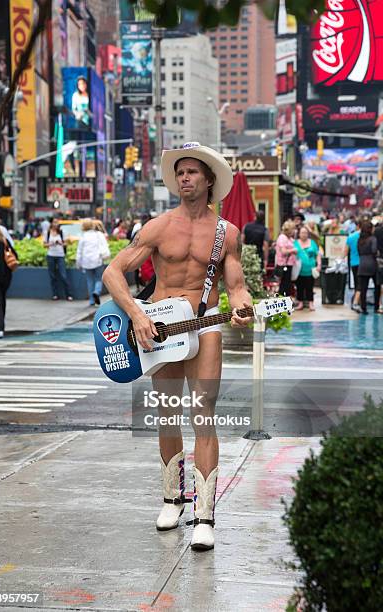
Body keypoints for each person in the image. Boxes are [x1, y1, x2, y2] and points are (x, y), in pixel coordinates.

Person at [102, 142, 253, 551]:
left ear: (208, 181)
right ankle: (173, 500)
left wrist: (242, 307)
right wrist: (137, 314)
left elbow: (236, 288)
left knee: (203, 415)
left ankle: (205, 515)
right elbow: (112, 272)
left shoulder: (227, 233)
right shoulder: (157, 226)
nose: (184, 178)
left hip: (204, 326)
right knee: (168, 414)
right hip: (162, 330)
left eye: (191, 172)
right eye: (180, 172)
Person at [76, 218, 110, 306]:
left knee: (89, 280)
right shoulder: (98, 234)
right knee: (99, 279)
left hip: (86, 262)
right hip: (98, 260)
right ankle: (97, 292)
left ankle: (91, 300)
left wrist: (78, 263)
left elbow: (79, 251)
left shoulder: (83, 237)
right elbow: (104, 245)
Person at [44, 219, 73, 301]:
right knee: (52, 276)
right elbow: (44, 245)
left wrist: (61, 243)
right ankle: (55, 294)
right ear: (51, 223)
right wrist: (51, 243)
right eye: (54, 222)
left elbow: (67, 243)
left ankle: (69, 294)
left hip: (60, 255)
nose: (55, 224)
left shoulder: (61, 232)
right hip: (51, 255)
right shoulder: (48, 233)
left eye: (57, 222)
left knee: (63, 275)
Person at [294, 226, 322, 311]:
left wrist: (319, 264)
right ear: (299, 234)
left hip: (311, 269)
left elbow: (317, 254)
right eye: (302, 233)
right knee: (299, 287)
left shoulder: (312, 242)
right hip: (299, 270)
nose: (304, 235)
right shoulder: (295, 243)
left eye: (305, 233)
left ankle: (311, 303)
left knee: (310, 286)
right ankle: (300, 303)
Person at [357, 221, 380, 315]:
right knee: (377, 286)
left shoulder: (360, 240)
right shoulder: (373, 239)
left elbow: (359, 251)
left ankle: (363, 308)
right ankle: (376, 307)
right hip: (372, 264)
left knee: (363, 288)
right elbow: (374, 250)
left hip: (362, 263)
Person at [274, 220, 297, 297]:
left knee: (287, 282)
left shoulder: (289, 238)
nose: (294, 231)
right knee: (285, 283)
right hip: (284, 264)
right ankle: (282, 299)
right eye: (293, 229)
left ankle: (285, 299)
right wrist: (293, 250)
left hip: (289, 264)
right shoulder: (282, 238)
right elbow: (283, 251)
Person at [344, 220, 361, 312]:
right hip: (363, 262)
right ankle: (356, 302)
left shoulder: (351, 237)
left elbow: (345, 251)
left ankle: (356, 300)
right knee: (361, 284)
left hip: (353, 263)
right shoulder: (365, 237)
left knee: (356, 282)